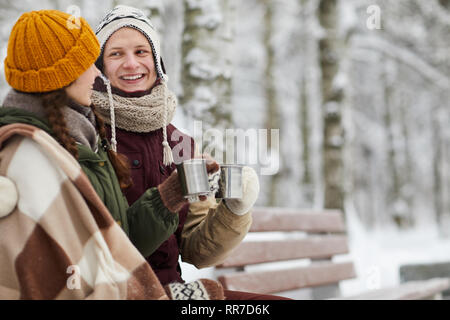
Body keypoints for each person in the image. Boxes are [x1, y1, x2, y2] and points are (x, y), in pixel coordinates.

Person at [0, 9, 224, 300]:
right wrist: (173, 297)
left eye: (141, 51)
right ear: (63, 75)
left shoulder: (86, 134)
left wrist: (173, 194)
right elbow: (72, 280)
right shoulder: (37, 154)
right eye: (88, 64)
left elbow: (113, 242)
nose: (96, 73)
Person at [92, 5, 290, 300]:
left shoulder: (177, 141)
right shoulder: (90, 134)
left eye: (142, 52)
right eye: (116, 54)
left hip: (175, 292)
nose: (131, 64)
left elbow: (197, 250)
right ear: (100, 67)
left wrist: (235, 209)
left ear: (157, 62)